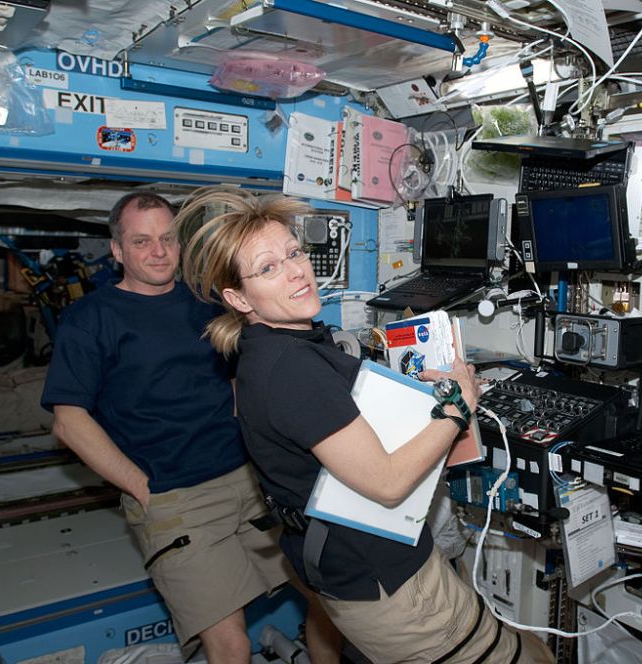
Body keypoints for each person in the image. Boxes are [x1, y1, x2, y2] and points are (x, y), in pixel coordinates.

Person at [176, 186, 556, 664]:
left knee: (528, 649)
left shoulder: (267, 352)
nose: (296, 271)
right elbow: (390, 483)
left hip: (353, 569)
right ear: (239, 297)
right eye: (268, 268)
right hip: (388, 583)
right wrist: (460, 405)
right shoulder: (291, 370)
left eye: (294, 252)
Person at [40, 192, 341, 663]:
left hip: (251, 484)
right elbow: (69, 422)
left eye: (167, 238)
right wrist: (143, 489)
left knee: (329, 602)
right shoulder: (90, 319)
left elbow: (245, 377)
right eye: (142, 241)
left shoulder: (208, 303)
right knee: (230, 645)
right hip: (177, 500)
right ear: (117, 250)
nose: (158, 251)